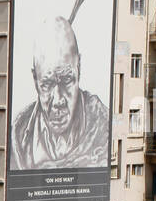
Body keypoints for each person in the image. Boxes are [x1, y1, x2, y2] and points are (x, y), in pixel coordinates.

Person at [10, 15, 110, 171]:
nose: (58, 101)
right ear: (35, 79)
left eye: (66, 81)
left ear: (79, 69)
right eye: (47, 84)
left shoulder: (103, 127)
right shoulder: (19, 135)